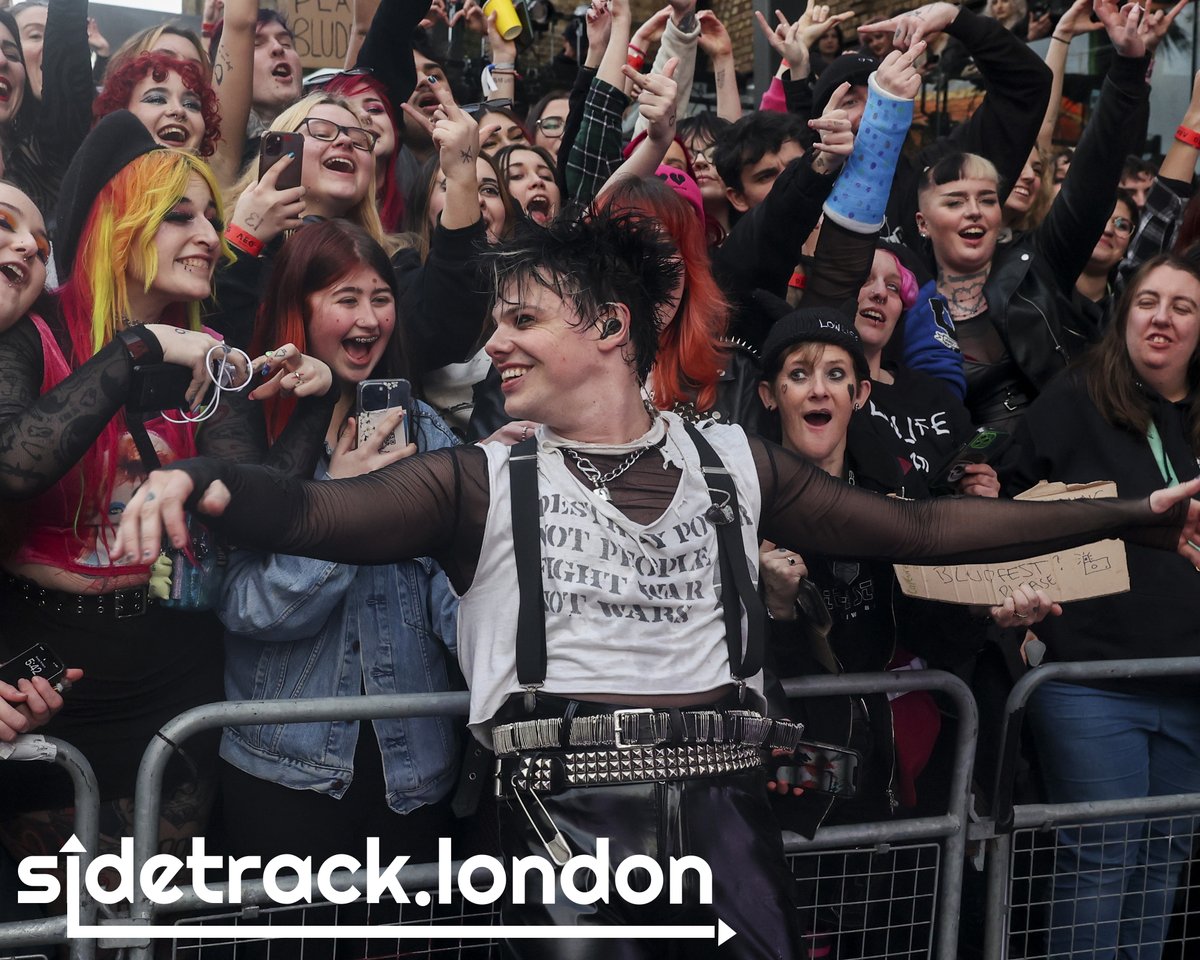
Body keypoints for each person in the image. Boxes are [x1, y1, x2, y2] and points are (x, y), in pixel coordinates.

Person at [117, 209, 1200, 957]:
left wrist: (1132, 517)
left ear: (607, 327)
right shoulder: (479, 481)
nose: (494, 343)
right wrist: (203, 481)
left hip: (734, 817)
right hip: (566, 831)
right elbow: (313, 515)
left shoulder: (729, 456)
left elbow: (918, 524)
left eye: (523, 319)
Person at [0, 111, 331, 875]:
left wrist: (316, 397)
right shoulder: (32, 333)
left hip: (174, 676)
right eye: (179, 215)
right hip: (43, 675)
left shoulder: (210, 354)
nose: (210, 235)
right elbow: (15, 463)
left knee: (162, 920)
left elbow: (263, 499)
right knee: (52, 920)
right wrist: (136, 349)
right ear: (120, 224)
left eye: (212, 216)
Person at [215, 219, 461, 868]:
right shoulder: (254, 430)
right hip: (280, 768)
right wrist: (341, 510)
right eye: (346, 299)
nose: (369, 318)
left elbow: (459, 600)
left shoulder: (426, 436)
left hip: (412, 773)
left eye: (381, 298)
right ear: (300, 308)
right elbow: (246, 608)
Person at [1003, 253, 1200, 960]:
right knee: (1102, 862)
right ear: (1125, 313)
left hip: (1192, 687)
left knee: (1161, 870)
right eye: (1149, 300)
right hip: (1092, 681)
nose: (1163, 317)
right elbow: (1010, 510)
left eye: (1183, 305)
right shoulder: (1075, 397)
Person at [93, 51, 220, 156]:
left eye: (191, 105)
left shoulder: (213, 185)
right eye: (157, 99)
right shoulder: (95, 184)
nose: (179, 110)